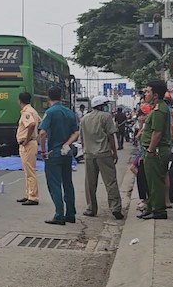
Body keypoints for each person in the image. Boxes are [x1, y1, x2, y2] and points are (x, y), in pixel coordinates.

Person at [38, 87, 80, 225]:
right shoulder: (69, 112)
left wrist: (43, 151)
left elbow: (42, 133)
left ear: (48, 98)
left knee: (54, 184)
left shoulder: (50, 112)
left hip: (53, 153)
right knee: (68, 183)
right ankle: (71, 214)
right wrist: (66, 144)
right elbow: (76, 132)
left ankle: (59, 215)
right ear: (61, 97)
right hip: (66, 152)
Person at [80, 95, 123, 220]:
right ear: (101, 106)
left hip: (89, 154)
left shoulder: (84, 119)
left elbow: (82, 138)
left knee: (90, 183)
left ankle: (90, 208)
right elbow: (111, 137)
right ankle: (115, 208)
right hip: (104, 153)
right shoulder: (106, 117)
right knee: (110, 182)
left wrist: (85, 150)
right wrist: (114, 153)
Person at [138, 80, 173, 220]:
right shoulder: (156, 107)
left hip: (156, 151)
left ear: (155, 95)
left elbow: (157, 133)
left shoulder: (160, 110)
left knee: (156, 182)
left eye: (148, 91)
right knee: (150, 181)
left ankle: (159, 210)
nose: (145, 94)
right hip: (152, 150)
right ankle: (151, 207)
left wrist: (151, 150)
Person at [15, 92, 42, 206]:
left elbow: (31, 124)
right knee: (27, 171)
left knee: (30, 171)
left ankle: (33, 197)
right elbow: (39, 121)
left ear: (20, 101)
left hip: (28, 144)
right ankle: (28, 194)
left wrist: (27, 138)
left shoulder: (27, 112)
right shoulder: (33, 111)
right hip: (30, 143)